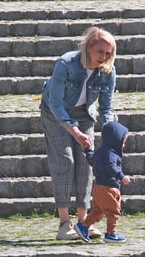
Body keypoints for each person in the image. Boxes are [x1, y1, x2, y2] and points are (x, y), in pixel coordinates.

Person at [40, 26, 118, 240]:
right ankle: (64, 224)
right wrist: (74, 132)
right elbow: (55, 104)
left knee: (86, 164)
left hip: (84, 114)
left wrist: (112, 133)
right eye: (101, 51)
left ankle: (84, 223)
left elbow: (106, 108)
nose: (105, 57)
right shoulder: (66, 64)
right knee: (65, 161)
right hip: (55, 113)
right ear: (89, 47)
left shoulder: (108, 71)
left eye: (108, 52)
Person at [74, 120, 131, 243]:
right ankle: (111, 234)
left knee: (98, 211)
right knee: (113, 211)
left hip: (98, 187)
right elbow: (111, 167)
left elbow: (91, 160)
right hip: (108, 187)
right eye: (123, 141)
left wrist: (88, 149)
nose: (124, 145)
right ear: (115, 139)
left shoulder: (101, 151)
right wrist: (121, 176)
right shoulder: (110, 152)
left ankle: (83, 226)